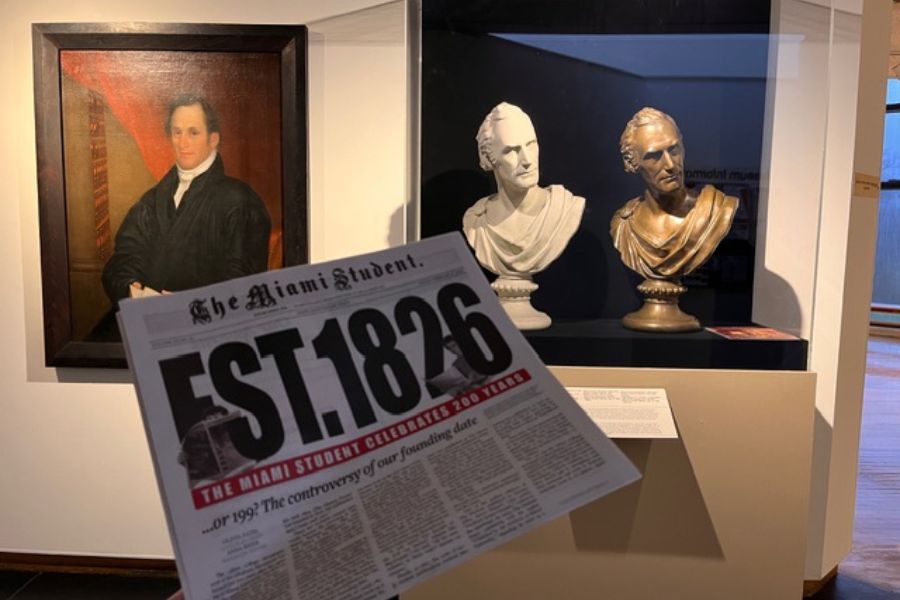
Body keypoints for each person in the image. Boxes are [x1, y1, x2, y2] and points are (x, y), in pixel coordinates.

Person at [102, 94, 271, 302]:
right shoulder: (153, 199)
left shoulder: (240, 200)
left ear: (213, 139)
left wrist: (190, 302)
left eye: (193, 133)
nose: (183, 143)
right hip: (147, 316)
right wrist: (130, 286)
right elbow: (125, 256)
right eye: (177, 132)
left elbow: (245, 281)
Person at [610, 107, 738, 281]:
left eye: (674, 150)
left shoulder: (716, 209)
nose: (670, 164)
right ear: (633, 163)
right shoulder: (624, 226)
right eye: (654, 156)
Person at [462, 102, 584, 279]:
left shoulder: (565, 209)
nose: (527, 159)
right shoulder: (476, 221)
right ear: (488, 157)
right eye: (512, 150)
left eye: (531, 144)